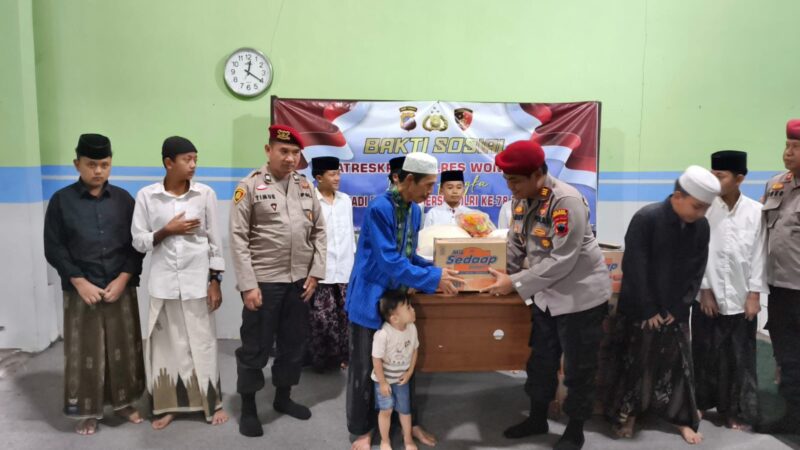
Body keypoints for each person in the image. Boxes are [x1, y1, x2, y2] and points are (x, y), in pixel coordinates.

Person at [482, 140, 611, 450]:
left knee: (579, 368)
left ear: (538, 174)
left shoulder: (566, 202)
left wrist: (515, 283)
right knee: (540, 361)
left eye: (515, 180)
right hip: (545, 295)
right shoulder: (521, 199)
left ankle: (575, 430)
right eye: (507, 180)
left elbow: (562, 260)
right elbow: (516, 242)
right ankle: (537, 418)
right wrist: (504, 273)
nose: (510, 186)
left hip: (580, 298)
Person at [346, 152, 463, 450]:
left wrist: (437, 268)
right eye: (428, 185)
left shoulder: (414, 211)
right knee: (366, 368)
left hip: (397, 301)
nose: (431, 192)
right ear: (409, 179)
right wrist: (433, 278)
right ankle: (362, 430)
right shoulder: (380, 208)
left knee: (401, 363)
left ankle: (409, 423)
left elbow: (408, 256)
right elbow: (389, 261)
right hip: (370, 298)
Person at [607, 165, 720, 445]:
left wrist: (679, 308)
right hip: (641, 306)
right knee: (637, 361)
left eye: (705, 208)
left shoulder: (701, 226)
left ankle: (681, 418)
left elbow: (697, 269)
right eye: (697, 207)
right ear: (678, 196)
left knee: (678, 364)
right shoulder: (647, 218)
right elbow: (635, 266)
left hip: (675, 309)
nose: (701, 214)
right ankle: (629, 415)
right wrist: (650, 309)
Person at [43, 133, 145, 435]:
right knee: (85, 351)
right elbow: (54, 247)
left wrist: (124, 278)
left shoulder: (125, 200)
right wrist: (78, 281)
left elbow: (136, 245)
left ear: (111, 163)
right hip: (81, 289)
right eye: (91, 164)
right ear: (77, 164)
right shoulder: (61, 201)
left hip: (119, 286)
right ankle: (88, 411)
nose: (98, 170)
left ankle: (123, 403)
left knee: (124, 347)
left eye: (104, 164)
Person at [229, 124, 326, 437]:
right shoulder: (249, 186)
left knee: (293, 345)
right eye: (284, 151)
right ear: (268, 150)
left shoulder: (305, 186)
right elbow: (238, 237)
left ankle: (283, 398)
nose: (290, 158)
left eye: (295, 153)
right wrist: (247, 285)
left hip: (299, 282)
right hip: (264, 282)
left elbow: (319, 232)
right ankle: (248, 408)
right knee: (255, 347)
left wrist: (315, 273)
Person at [131, 136, 228, 429]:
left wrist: (215, 281)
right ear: (168, 163)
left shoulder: (204, 194)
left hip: (197, 281)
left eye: (195, 158)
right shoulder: (147, 196)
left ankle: (211, 403)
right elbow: (138, 241)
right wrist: (167, 231)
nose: (193, 165)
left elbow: (214, 241)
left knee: (202, 342)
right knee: (167, 347)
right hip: (163, 284)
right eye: (187, 159)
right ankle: (168, 406)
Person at [691, 150, 765, 431]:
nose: (714, 180)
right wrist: (704, 289)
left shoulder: (756, 212)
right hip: (707, 296)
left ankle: (732, 410)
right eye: (712, 175)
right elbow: (696, 252)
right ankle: (699, 403)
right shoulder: (703, 208)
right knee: (704, 351)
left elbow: (759, 254)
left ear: (739, 179)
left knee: (738, 357)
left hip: (740, 296)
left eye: (720, 176)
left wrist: (754, 294)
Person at [757, 119, 800, 434]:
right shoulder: (776, 185)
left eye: (796, 147)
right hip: (781, 289)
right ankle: (793, 415)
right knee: (786, 355)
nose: (788, 152)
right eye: (787, 145)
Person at [308, 156, 354, 372]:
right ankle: (323, 360)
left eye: (338, 173)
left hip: (345, 267)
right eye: (332, 174)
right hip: (321, 269)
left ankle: (344, 357)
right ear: (319, 177)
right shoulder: (310, 201)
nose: (338, 178)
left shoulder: (346, 200)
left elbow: (349, 234)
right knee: (322, 318)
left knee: (345, 315)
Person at [372, 291, 420, 450]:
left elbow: (415, 350)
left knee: (405, 410)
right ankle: (385, 441)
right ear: (395, 318)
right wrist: (382, 382)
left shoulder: (412, 328)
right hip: (383, 380)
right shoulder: (383, 334)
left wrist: (410, 372)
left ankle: (408, 440)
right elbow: (376, 359)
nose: (413, 309)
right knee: (386, 410)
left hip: (401, 379)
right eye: (408, 307)